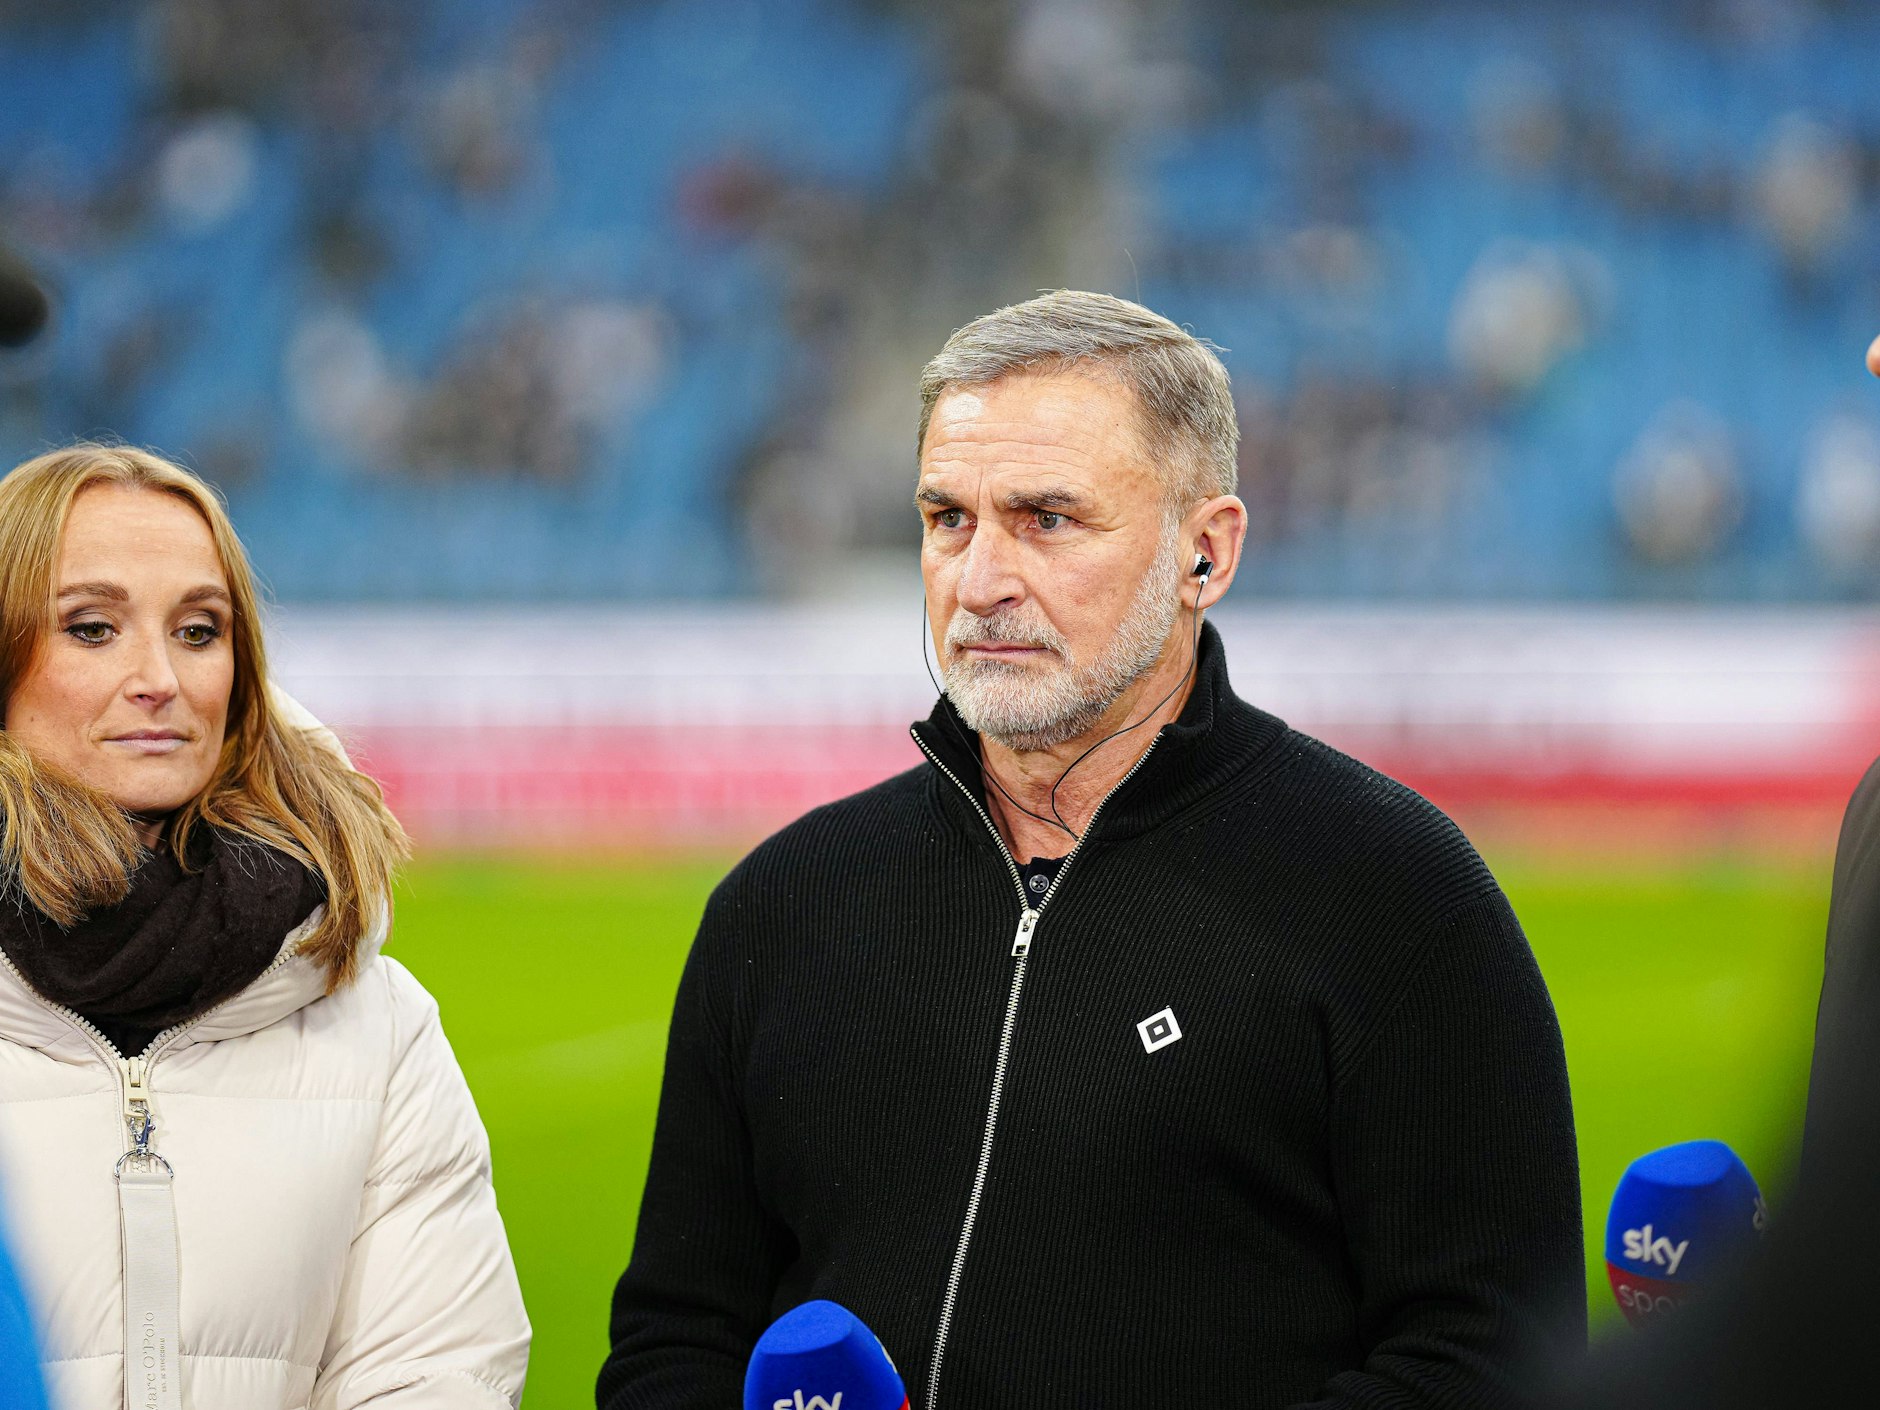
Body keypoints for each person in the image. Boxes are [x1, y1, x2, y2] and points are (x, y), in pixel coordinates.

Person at [600, 291, 1585, 1409]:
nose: (977, 582)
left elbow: (1491, 1360)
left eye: (1046, 520)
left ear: (1201, 554)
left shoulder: (1394, 897)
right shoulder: (779, 908)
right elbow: (675, 1341)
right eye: (946, 520)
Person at [0, 445, 529, 1409]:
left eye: (199, 631)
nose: (158, 676)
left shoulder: (380, 1027)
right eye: (91, 628)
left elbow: (435, 1374)